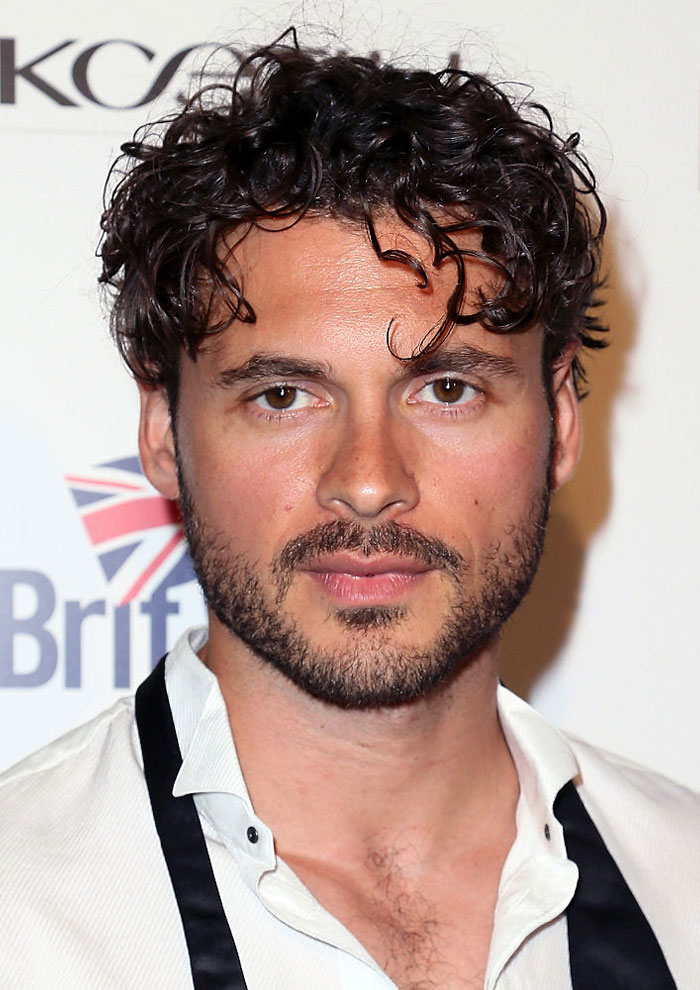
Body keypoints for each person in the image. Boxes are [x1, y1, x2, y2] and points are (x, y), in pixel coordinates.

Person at [1, 32, 698, 990]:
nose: (368, 481)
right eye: (284, 396)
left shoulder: (688, 885)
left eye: (446, 390)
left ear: (564, 418)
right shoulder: (19, 910)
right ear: (163, 429)